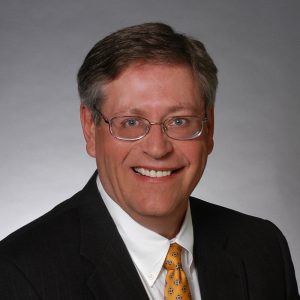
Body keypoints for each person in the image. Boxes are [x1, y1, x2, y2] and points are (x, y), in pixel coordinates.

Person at [0, 22, 299, 300]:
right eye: (130, 122)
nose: (157, 149)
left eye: (180, 120)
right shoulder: (19, 274)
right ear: (90, 129)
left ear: (209, 129)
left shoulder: (262, 249)